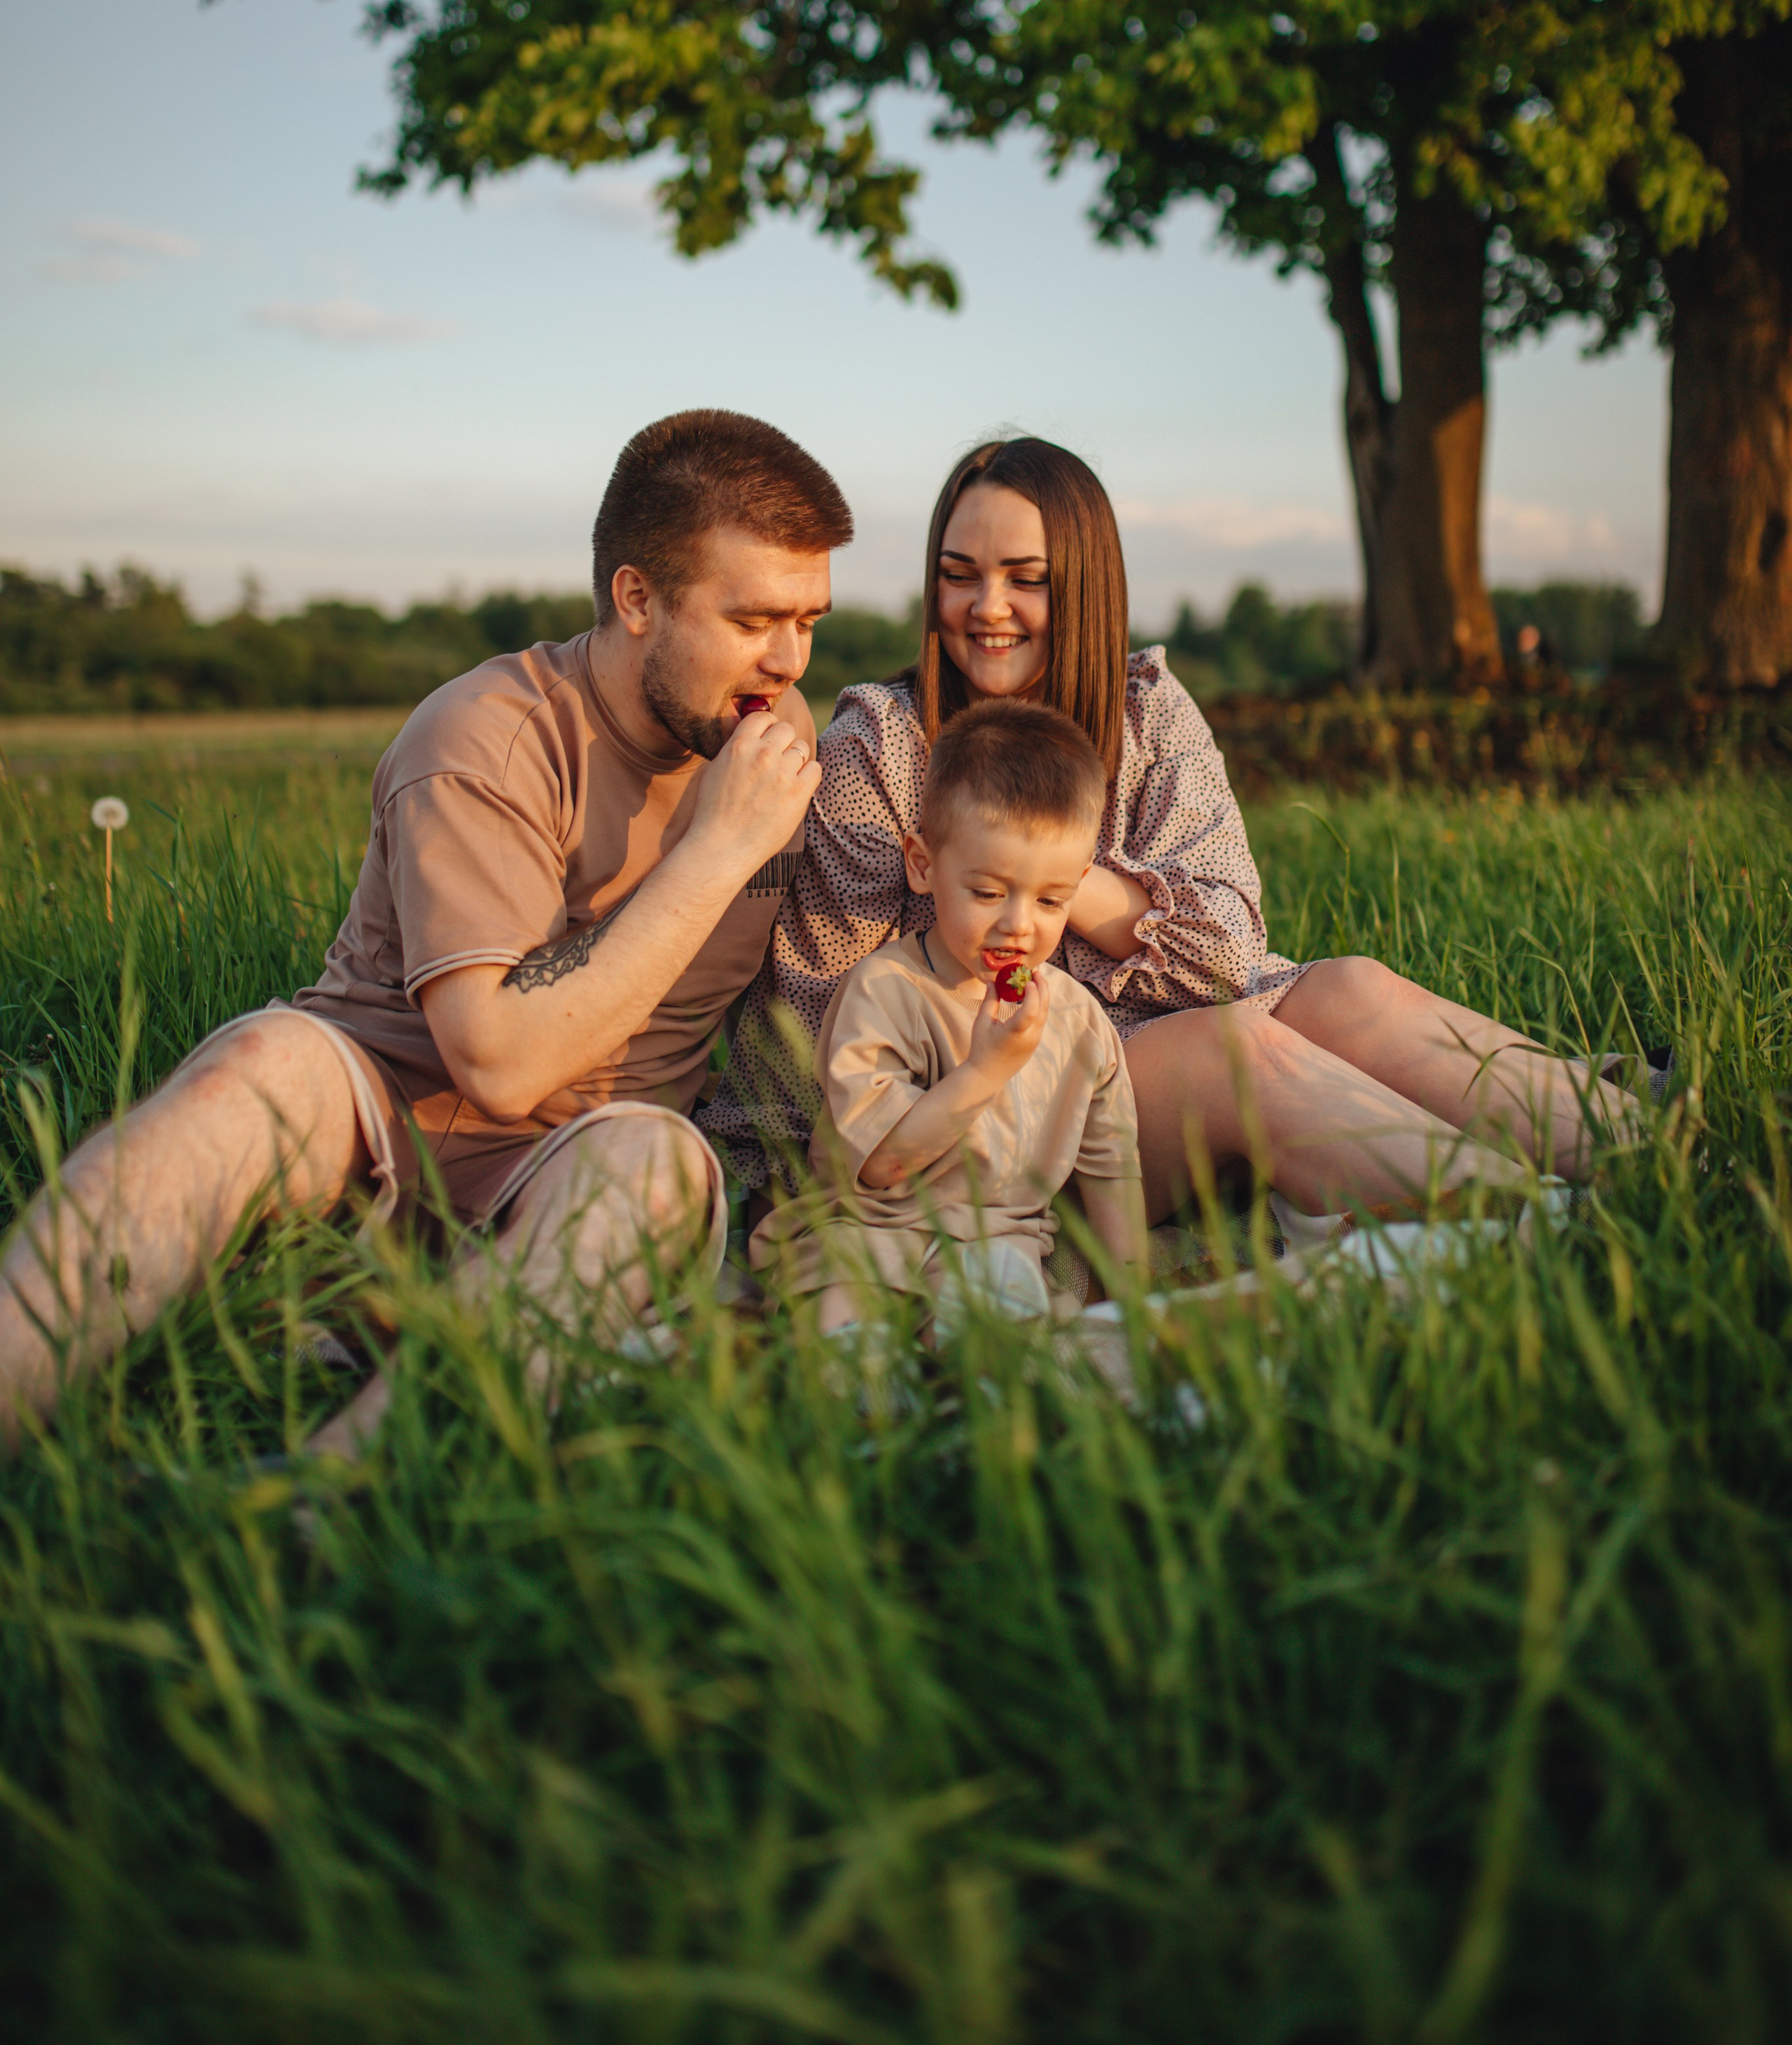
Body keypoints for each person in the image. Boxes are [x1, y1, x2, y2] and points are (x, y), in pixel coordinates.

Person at [0, 410, 850, 1453]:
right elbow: (496, 1062)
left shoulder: (768, 731)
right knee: (265, 1062)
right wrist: (716, 851)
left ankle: (334, 1496)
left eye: (809, 620)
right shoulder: (486, 737)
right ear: (637, 597)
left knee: (656, 1164)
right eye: (756, 619)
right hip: (370, 1142)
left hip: (581, 1182)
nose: (788, 660)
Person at [706, 435, 1629, 1235]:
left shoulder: (1146, 712)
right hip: (981, 1124)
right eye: (960, 574)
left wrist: (1062, 883)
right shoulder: (886, 749)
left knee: (1347, 990)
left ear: (1085, 584)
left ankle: (1643, 1151)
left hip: (1147, 1068)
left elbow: (1231, 950)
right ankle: (1535, 1227)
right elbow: (816, 1021)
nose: (987, 606)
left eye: (1027, 579)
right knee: (1234, 1050)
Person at [751, 696, 1146, 1334]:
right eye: (987, 893)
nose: (1018, 925)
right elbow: (880, 1166)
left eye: (1051, 900)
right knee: (842, 1339)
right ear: (924, 865)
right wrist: (986, 1072)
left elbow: (1112, 1165)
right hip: (860, 1237)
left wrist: (1133, 1305)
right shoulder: (886, 990)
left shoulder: (1078, 1022)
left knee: (1008, 1330)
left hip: (995, 1248)